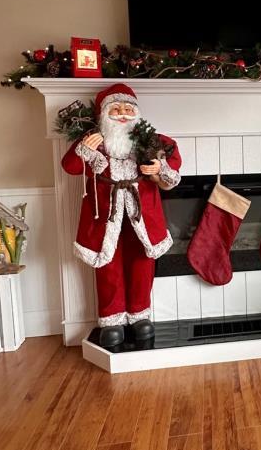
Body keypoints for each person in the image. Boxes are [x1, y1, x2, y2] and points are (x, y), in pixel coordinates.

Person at [61, 83, 181, 350]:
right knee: (108, 265)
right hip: (104, 217)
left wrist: (158, 168)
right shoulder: (94, 142)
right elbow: (69, 167)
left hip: (143, 216)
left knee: (142, 262)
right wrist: (84, 150)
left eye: (128, 109)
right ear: (103, 114)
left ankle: (140, 314)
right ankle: (111, 320)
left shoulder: (151, 141)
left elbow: (171, 171)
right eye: (116, 109)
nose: (123, 114)